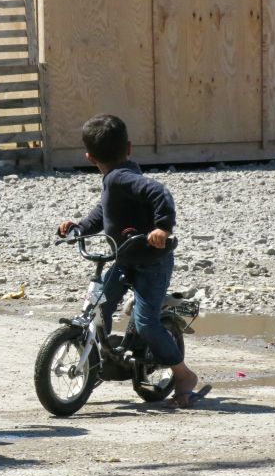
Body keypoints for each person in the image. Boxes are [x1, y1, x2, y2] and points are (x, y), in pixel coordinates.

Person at [57, 113, 208, 408]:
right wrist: (79, 228)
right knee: (100, 302)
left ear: (89, 157)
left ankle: (183, 374)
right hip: (125, 259)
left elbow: (158, 192)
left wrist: (162, 227)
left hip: (152, 262)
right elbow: (103, 215)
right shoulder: (114, 182)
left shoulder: (120, 178)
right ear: (129, 148)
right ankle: (108, 356)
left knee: (147, 322)